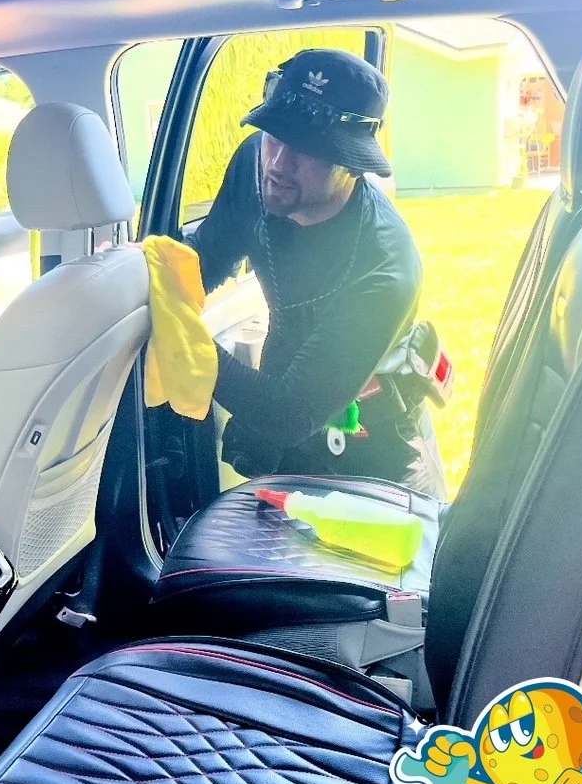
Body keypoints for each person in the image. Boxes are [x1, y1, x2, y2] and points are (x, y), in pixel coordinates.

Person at [188, 47, 446, 498]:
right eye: (274, 136)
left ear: (353, 163)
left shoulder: (386, 267)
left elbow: (288, 412)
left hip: (378, 443)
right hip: (290, 416)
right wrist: (149, 271)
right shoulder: (255, 164)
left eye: (307, 150)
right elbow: (208, 255)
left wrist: (184, 345)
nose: (278, 164)